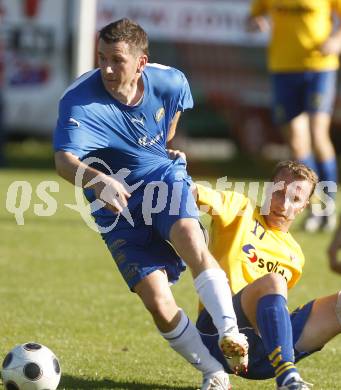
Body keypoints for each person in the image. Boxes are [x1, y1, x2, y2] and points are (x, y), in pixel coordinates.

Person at [53, 18, 248, 390]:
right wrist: (98, 179)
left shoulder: (171, 81)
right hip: (113, 203)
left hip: (161, 177)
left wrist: (164, 153)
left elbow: (168, 126)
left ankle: (230, 332)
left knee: (191, 235)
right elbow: (64, 161)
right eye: (101, 58)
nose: (107, 68)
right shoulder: (79, 100)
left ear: (141, 62)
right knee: (157, 300)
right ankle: (214, 372)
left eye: (117, 60)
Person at [193, 161, 341, 389]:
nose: (283, 204)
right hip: (215, 334)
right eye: (279, 193)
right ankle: (287, 375)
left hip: (260, 355)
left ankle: (281, 366)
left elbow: (271, 312)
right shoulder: (239, 210)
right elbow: (195, 193)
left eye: (295, 199)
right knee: (274, 280)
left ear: (303, 207)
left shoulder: (295, 256)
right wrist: (173, 169)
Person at [247, 0, 341, 232]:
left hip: (319, 66)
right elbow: (252, 18)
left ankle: (328, 205)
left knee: (318, 134)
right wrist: (256, 23)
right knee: (298, 144)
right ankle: (314, 207)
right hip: (283, 68)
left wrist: (336, 40)